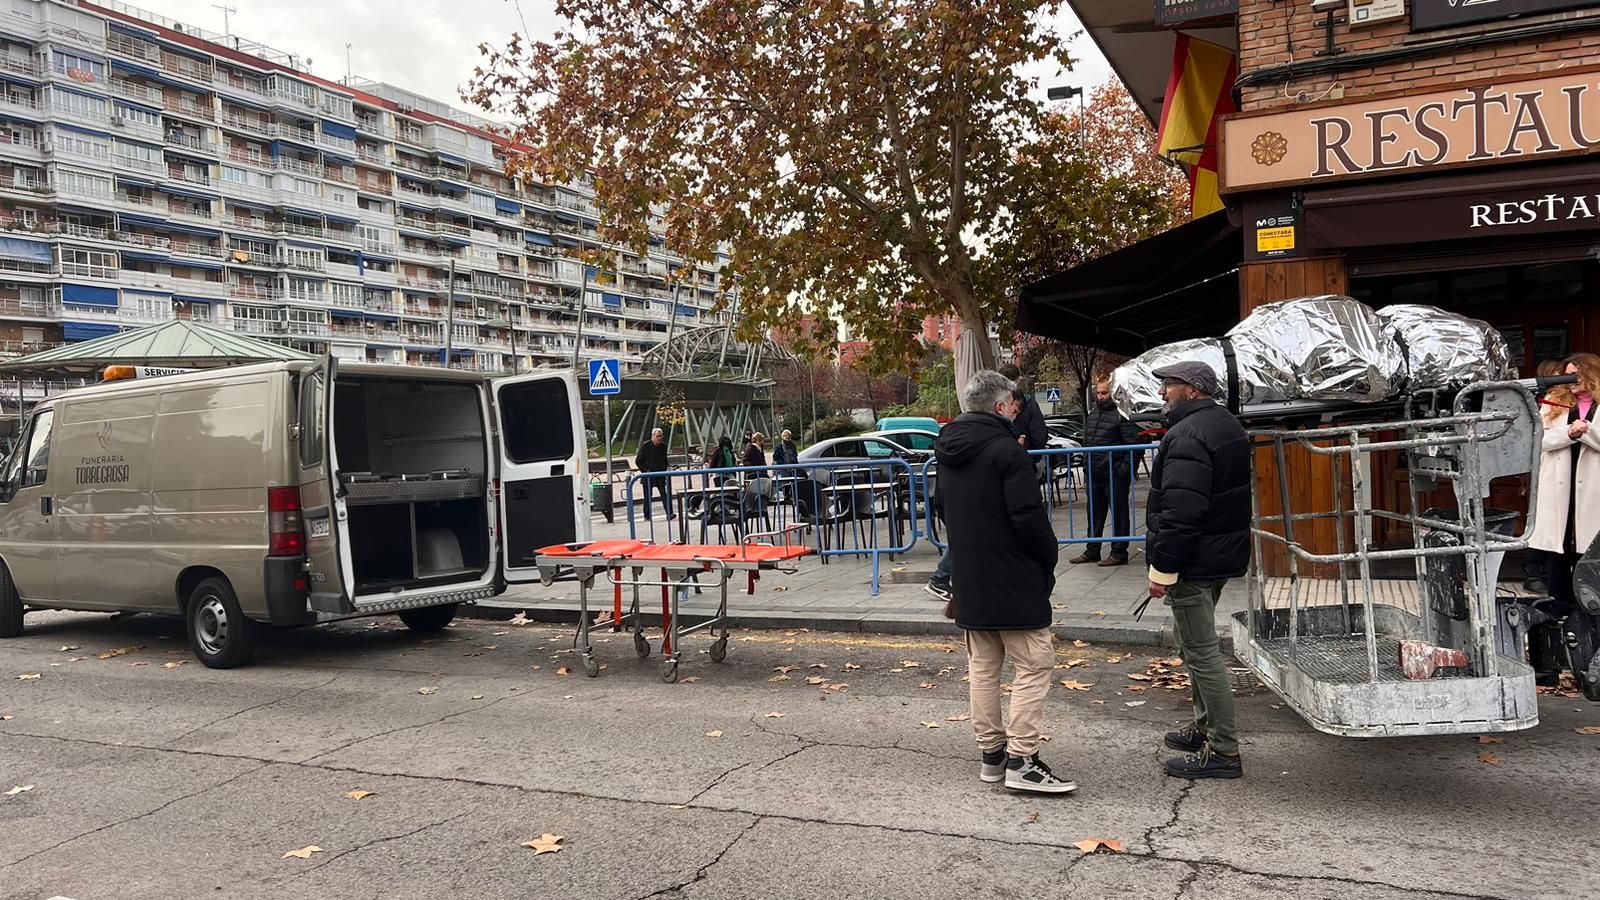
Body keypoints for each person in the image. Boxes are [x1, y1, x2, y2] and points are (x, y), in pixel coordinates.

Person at [935, 369, 1073, 795]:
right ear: (999, 407)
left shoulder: (946, 451)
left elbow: (942, 508)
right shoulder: (1008, 453)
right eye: (1013, 403)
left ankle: (992, 755)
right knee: (1035, 663)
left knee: (983, 667)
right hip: (1013, 576)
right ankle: (1023, 758)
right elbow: (1029, 520)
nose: (1017, 408)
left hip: (972, 577)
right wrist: (1047, 560)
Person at [1145, 360, 1250, 780]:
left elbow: (1182, 510)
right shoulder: (1224, 424)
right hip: (1217, 553)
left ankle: (1223, 750)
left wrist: (1163, 567)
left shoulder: (1187, 433)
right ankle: (1204, 727)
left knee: (1201, 652)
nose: (1163, 392)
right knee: (1195, 648)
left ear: (1191, 389)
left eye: (1169, 385)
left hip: (1193, 558)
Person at [1529, 353, 1600, 615]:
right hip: (1560, 488)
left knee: (1590, 557)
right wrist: (1568, 433)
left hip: (1593, 491)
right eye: (1569, 375)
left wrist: (1587, 431)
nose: (1572, 381)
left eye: (1578, 376)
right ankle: (1557, 614)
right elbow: (1538, 442)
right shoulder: (1553, 403)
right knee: (1558, 554)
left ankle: (1589, 620)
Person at [1070, 378, 1145, 567]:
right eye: (1098, 393)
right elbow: (1088, 441)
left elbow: (1135, 446)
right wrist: (1087, 467)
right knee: (1094, 514)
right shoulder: (1094, 414)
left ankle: (1119, 552)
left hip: (1114, 474)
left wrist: (1122, 471)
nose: (1100, 397)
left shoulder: (1122, 415)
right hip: (1095, 474)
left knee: (1119, 514)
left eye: (1104, 393)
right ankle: (1092, 550)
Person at [1524, 359, 1570, 594]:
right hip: (1551, 471)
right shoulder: (1547, 405)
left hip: (1574, 472)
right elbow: (1539, 440)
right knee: (1544, 526)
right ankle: (1533, 573)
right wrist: (1570, 433)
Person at [634, 427, 673, 520]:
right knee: (648, 497)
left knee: (664, 494)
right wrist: (645, 471)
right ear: (653, 436)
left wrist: (667, 467)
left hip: (660, 474)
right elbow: (638, 460)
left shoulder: (663, 446)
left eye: (661, 436)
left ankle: (669, 513)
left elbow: (664, 459)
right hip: (648, 475)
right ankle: (647, 516)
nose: (659, 438)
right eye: (657, 436)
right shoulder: (646, 446)